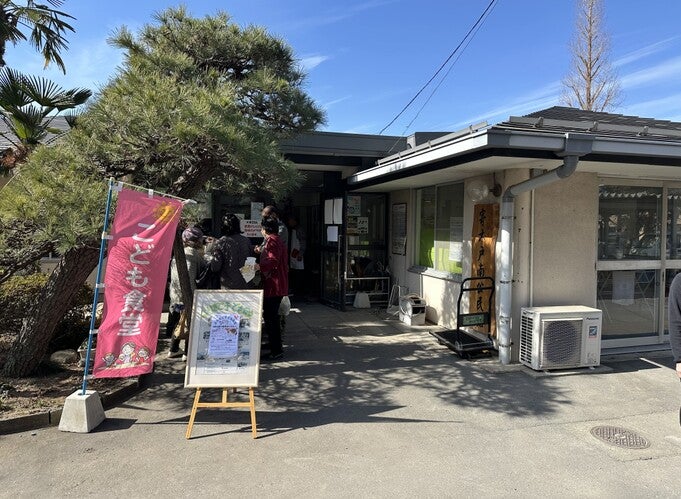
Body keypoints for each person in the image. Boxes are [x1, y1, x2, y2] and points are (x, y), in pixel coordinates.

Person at [167, 226, 204, 358]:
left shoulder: (178, 253)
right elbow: (202, 271)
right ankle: (188, 353)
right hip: (189, 293)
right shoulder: (195, 254)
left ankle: (173, 349)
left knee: (179, 321)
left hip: (175, 294)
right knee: (190, 322)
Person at [255, 216, 288, 360]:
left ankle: (276, 349)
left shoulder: (272, 240)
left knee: (271, 318)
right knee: (271, 317)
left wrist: (258, 266)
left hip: (274, 285)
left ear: (264, 229)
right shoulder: (275, 240)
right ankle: (275, 347)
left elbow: (273, 260)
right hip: (275, 284)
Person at [210, 213, 253, 289]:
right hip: (245, 284)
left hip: (228, 285)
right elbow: (250, 264)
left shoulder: (221, 243)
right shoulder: (246, 241)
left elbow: (215, 267)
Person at [287, 214, 306, 299]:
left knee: (299, 273)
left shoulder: (299, 230)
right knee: (294, 272)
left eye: (290, 220)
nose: (289, 222)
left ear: (294, 221)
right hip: (293, 254)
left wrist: (300, 253)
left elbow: (303, 242)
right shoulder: (292, 230)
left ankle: (299, 292)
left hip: (297, 254)